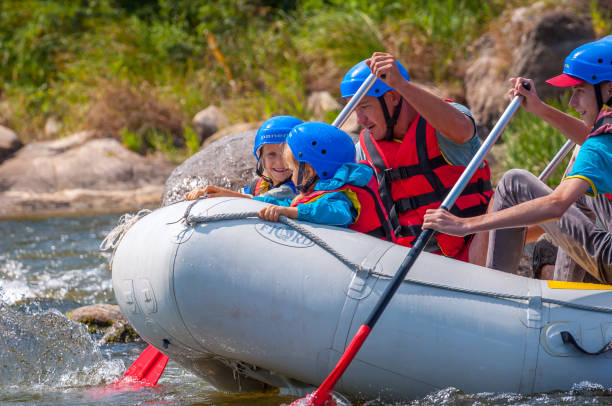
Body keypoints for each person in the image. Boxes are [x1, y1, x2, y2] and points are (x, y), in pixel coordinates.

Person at [423, 35, 612, 283]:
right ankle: (566, 290)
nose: (572, 102)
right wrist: (539, 108)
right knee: (584, 186)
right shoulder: (601, 141)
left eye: (579, 90)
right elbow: (593, 142)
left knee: (515, 183)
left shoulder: (598, 146)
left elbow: (557, 204)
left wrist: (465, 225)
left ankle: (494, 291)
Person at [340, 53, 493, 261]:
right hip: (414, 261)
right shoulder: (364, 149)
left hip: (476, 249)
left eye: (364, 107)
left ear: (393, 98)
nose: (360, 120)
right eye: (355, 110)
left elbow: (462, 131)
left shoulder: (446, 119)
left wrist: (401, 84)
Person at [255, 121, 395, 240]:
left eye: (293, 170)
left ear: (309, 171)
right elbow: (286, 204)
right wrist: (247, 198)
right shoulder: (321, 191)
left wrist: (292, 212)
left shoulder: (340, 196)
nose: (291, 177)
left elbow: (339, 213)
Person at [185, 115, 302, 201]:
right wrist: (207, 194)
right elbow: (237, 196)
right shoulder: (259, 186)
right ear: (261, 158)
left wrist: (224, 194)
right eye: (272, 154)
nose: (280, 162)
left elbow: (266, 200)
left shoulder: (300, 188)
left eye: (286, 154)